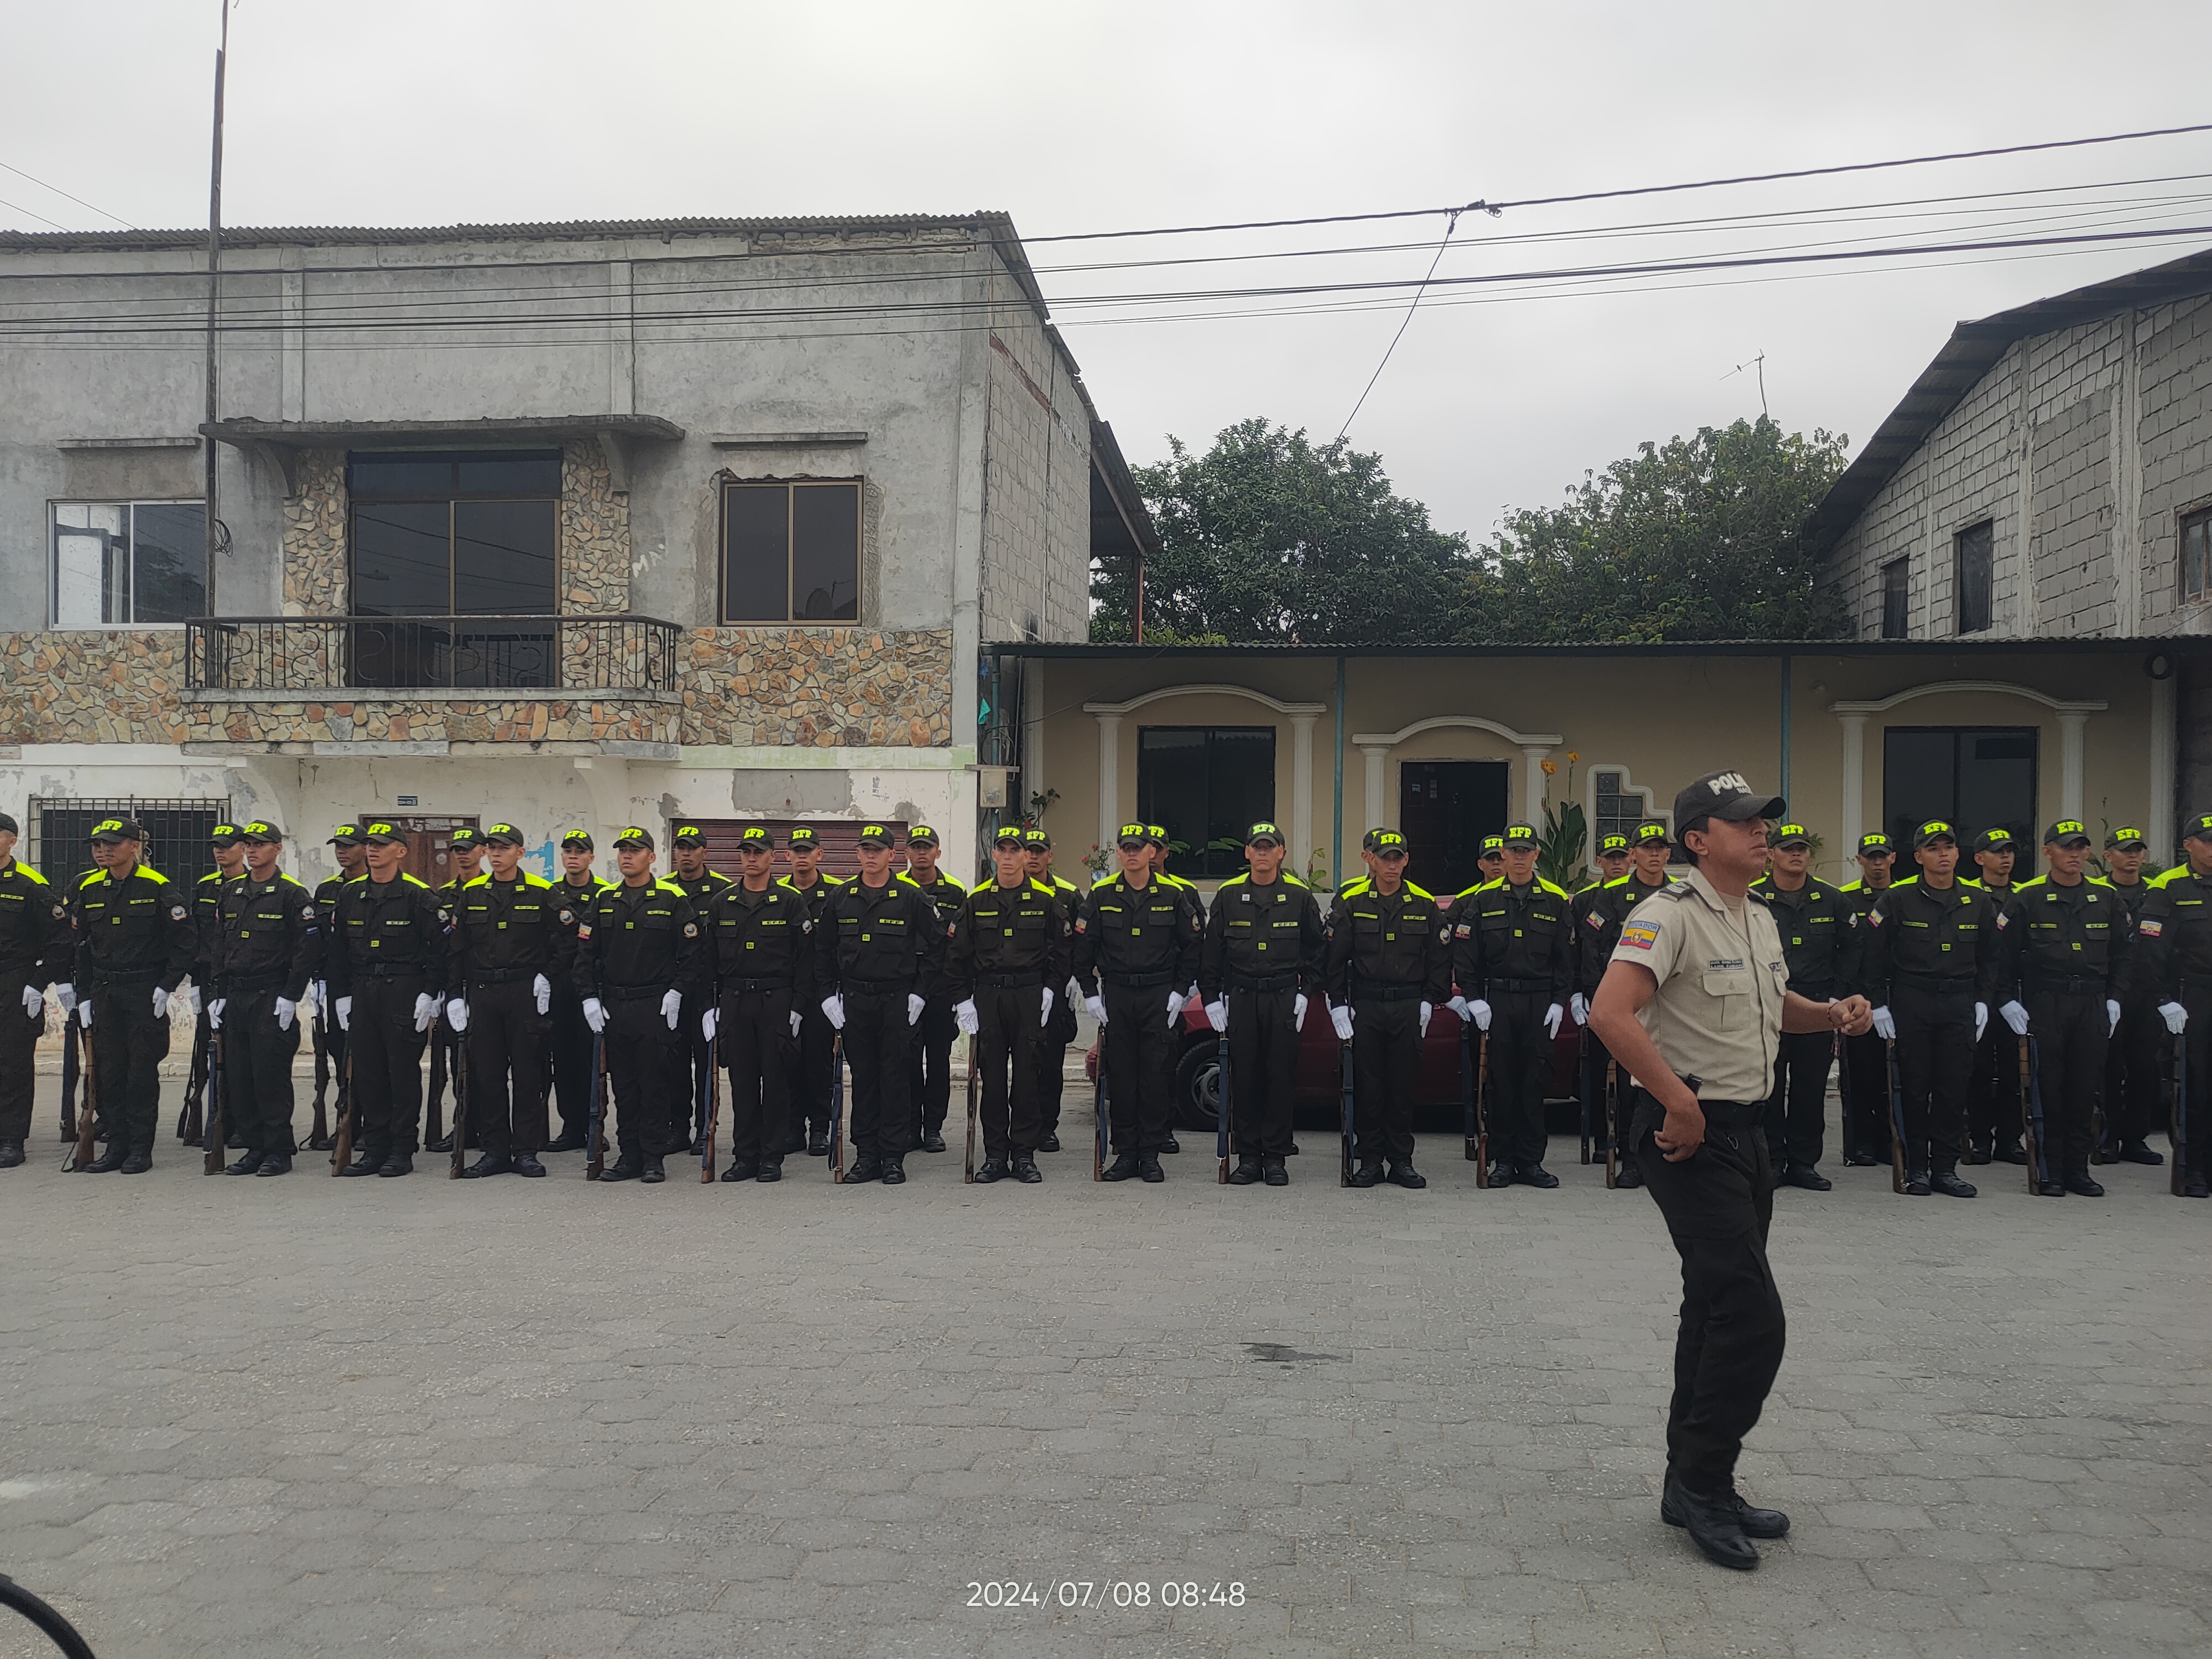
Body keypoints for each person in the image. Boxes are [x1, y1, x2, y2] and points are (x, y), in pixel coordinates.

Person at [1588, 769, 1871, 1572]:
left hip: (1751, 1134)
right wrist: (1676, 1100)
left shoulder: (1757, 916)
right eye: (1743, 822)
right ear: (1698, 840)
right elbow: (1609, 1013)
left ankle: (1689, 1479)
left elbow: (1769, 1004)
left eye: (1764, 821)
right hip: (1689, 1134)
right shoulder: (1666, 915)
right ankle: (1704, 1485)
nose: (1762, 832)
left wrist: (1829, 1013)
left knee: (1713, 1307)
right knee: (1751, 1318)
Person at [1854, 820, 2002, 1198]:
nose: (1943, 855)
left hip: (1959, 1002)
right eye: (1933, 849)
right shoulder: (1897, 899)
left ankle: (1946, 1169)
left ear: (1957, 853)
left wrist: (1983, 1000)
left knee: (1953, 1089)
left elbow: (1991, 957)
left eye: (1948, 847)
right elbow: (1873, 957)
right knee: (1915, 1088)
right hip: (1913, 1001)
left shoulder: (1978, 901)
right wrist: (1880, 1005)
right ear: (1918, 857)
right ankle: (1916, 1167)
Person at [1993, 820, 2127, 1198]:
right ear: (2048, 852)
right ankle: (2049, 1170)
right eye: (2067, 847)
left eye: (2081, 848)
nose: (2075, 854)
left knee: (2084, 1090)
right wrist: (2006, 1000)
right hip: (2046, 1002)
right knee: (2047, 1090)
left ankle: (2077, 1169)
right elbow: (2001, 957)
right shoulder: (2027, 899)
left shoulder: (2106, 899)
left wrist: (2116, 997)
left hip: (2091, 1002)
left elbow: (2125, 956)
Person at [1199, 822, 1325, 1187]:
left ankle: (1276, 1157)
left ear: (1281, 853)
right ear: (1248, 853)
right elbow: (1212, 952)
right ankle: (1249, 1157)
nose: (1263, 853)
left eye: (1270, 847)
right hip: (1242, 997)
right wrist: (1210, 997)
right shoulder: (1228, 896)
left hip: (1283, 998)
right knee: (1245, 1078)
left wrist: (1306, 992)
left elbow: (1317, 951)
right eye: (1257, 847)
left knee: (1280, 1078)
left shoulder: (1300, 897)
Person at [1075, 823, 1203, 1183]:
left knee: (1155, 1077)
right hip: (1117, 994)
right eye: (1126, 848)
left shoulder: (1173, 895)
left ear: (1152, 852)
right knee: (1121, 1077)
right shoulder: (1101, 894)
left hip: (1158, 995)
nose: (1132, 854)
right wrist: (1089, 992)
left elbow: (1192, 947)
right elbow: (1083, 948)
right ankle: (1125, 1153)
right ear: (1118, 852)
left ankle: (1150, 1154)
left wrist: (1181, 990)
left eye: (1139, 847)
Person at [576, 826, 704, 1184]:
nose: (627, 856)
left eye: (635, 850)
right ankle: (629, 1155)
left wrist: (677, 991)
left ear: (651, 857)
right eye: (623, 851)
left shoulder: (671, 899)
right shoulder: (604, 899)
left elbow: (692, 953)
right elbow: (585, 954)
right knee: (624, 1087)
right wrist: (588, 997)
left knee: (654, 1084)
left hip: (654, 1004)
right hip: (615, 1005)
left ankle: (653, 1157)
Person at [445, 822, 573, 1178]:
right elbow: (455, 948)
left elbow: (569, 939)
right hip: (484, 992)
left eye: (504, 847)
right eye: (492, 848)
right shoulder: (472, 892)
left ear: (520, 852)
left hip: (524, 991)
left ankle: (526, 1151)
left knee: (528, 1074)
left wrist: (548, 975)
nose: (497, 854)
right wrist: (454, 995)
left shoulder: (542, 891)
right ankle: (495, 1151)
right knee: (488, 1075)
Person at [65, 819, 194, 1174]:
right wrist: (83, 993)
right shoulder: (89, 887)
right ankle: (116, 1147)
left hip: (143, 991)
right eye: (98, 845)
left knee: (140, 1074)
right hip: (105, 991)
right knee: (109, 1073)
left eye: (112, 843)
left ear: (134, 846)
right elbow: (81, 945)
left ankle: (140, 1149)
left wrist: (166, 985)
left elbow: (185, 942)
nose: (103, 850)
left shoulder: (158, 887)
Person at [818, 824, 943, 1183]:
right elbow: (823, 950)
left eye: (878, 850)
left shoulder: (910, 897)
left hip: (896, 1000)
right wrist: (827, 994)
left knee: (895, 1078)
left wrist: (921, 991)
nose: (871, 856)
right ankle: (866, 1155)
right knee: (863, 1079)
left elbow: (937, 947)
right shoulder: (841, 897)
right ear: (858, 854)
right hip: (855, 1000)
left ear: (892, 854)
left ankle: (892, 1156)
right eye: (866, 850)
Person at [1326, 828, 1448, 1189]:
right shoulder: (1352, 902)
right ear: (1372, 860)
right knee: (1369, 1086)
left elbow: (1439, 958)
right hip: (1366, 1003)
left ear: (1406, 861)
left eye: (1397, 858)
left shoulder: (1423, 904)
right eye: (1385, 858)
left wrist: (1430, 999)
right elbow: (1335, 958)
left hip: (1408, 1003)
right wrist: (1337, 1004)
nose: (1391, 865)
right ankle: (1370, 1161)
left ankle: (1401, 1161)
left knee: (1402, 1087)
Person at [1453, 823, 1574, 1188]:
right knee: (1500, 1083)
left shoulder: (1554, 900)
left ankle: (1531, 1161)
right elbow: (1466, 955)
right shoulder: (1483, 900)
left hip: (1539, 1000)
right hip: (1498, 1001)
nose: (1519, 858)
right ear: (1503, 855)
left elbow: (1565, 958)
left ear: (1536, 854)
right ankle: (1504, 1160)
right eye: (1513, 851)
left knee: (1535, 1082)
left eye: (1526, 851)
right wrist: (1473, 998)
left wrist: (1560, 1001)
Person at [327, 822, 452, 1177]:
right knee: (368, 1073)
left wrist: (431, 993)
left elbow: (439, 950)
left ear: (401, 851)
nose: (373, 850)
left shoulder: (418, 896)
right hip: (363, 987)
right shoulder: (351, 895)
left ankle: (401, 1148)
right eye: (369, 844)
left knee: (402, 1073)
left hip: (404, 988)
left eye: (381, 845)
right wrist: (341, 995)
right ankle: (375, 1147)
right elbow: (338, 951)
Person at [945, 826, 1064, 1183]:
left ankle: (1024, 1155)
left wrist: (1052, 989)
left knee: (1028, 1078)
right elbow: (956, 956)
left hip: (1029, 995)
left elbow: (1062, 952)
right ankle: (995, 1155)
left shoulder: (1045, 901)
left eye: (1016, 850)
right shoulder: (976, 901)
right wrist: (962, 1000)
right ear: (994, 855)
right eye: (1003, 850)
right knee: (993, 1079)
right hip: (989, 995)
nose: (1010, 857)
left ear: (1026, 856)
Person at [704, 825, 816, 1182]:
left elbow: (806, 960)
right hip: (736, 1000)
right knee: (742, 1082)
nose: (751, 859)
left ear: (772, 857)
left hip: (776, 1000)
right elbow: (708, 960)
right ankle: (745, 1156)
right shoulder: (722, 903)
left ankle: (772, 1157)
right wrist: (711, 1005)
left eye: (758, 852)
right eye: (746, 852)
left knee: (777, 1081)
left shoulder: (790, 901)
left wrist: (798, 1006)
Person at [209, 822, 319, 1177]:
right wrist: (218, 993)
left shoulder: (292, 895)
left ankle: (278, 1150)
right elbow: (219, 945)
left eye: (261, 844)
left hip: (271, 994)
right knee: (240, 1078)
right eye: (249, 844)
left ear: (277, 849)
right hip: (237, 994)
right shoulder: (232, 891)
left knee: (269, 1076)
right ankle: (254, 1147)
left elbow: (306, 950)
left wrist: (291, 996)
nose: (253, 850)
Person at [1748, 823, 1852, 1192]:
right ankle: (1773, 1161)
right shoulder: (1752, 898)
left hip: (1817, 1005)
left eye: (1802, 849)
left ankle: (1805, 1163)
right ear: (1771, 854)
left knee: (1810, 1088)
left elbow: (1850, 951)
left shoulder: (1832, 899)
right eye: (1788, 848)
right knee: (1769, 1087)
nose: (1796, 854)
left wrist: (1838, 997)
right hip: (1767, 1004)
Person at [1571, 820, 1674, 1187]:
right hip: (1626, 1006)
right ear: (1634, 855)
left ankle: (1666, 1159)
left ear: (1669, 854)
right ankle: (1632, 1161)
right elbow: (1593, 949)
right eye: (1646, 849)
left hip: (1668, 1007)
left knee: (1668, 1082)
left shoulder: (1680, 897)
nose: (1654, 855)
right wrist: (1598, 996)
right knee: (1628, 1088)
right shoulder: (1611, 896)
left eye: (1660, 849)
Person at [2128, 813, 2212, 1197]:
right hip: (2192, 995)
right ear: (2188, 845)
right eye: (2207, 841)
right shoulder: (2168, 886)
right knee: (2197, 1087)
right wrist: (2164, 1000)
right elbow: (2151, 951)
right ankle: (2193, 1169)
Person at [0, 811, 71, 1170]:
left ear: (13, 840)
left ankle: (11, 1139)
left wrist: (38, 981)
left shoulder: (31, 885)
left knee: (12, 1062)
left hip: (13, 980)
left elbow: (60, 938)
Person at [2098, 826, 2165, 1165]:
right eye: (2125, 850)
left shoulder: (2156, 894)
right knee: (2108, 1066)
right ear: (2108, 855)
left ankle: (2136, 1139)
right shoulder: (2096, 892)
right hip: (2108, 991)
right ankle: (2107, 1136)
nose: (2133, 856)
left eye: (2138, 850)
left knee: (2144, 1068)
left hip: (2147, 992)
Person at [668, 825, 734, 1154]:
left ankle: (704, 1129)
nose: (686, 853)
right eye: (681, 847)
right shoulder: (664, 889)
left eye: (692, 848)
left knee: (707, 1066)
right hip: (672, 993)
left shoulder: (723, 891)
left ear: (704, 853)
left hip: (707, 993)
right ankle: (677, 1129)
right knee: (673, 1064)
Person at [901, 826, 966, 1154]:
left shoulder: (955, 891)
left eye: (927, 847)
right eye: (916, 847)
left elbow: (961, 944)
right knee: (907, 1059)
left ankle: (933, 1128)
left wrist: (961, 993)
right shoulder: (896, 887)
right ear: (906, 853)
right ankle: (911, 1125)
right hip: (904, 985)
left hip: (940, 987)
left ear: (938, 852)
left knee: (939, 1060)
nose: (922, 853)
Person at [1836, 832, 1899, 1168]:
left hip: (1900, 997)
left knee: (1897, 1077)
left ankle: (1890, 1141)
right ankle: (1860, 1144)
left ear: (1893, 858)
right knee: (1860, 1075)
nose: (1877, 863)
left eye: (1883, 856)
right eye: (1870, 857)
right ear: (1859, 860)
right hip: (1860, 999)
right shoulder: (1845, 899)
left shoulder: (1905, 896)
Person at [780, 826, 844, 1156]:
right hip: (785, 992)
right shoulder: (778, 892)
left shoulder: (836, 893)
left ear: (820, 854)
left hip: (823, 993)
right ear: (787, 855)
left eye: (808, 850)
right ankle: (793, 1127)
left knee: (819, 1062)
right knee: (787, 1062)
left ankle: (820, 1128)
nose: (802, 856)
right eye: (797, 851)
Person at [1963, 827, 2024, 1165]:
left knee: (2016, 1071)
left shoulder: (2024, 896)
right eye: (1998, 852)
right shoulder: (1970, 895)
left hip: (2016, 997)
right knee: (1979, 1070)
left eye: (2009, 851)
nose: (2005, 857)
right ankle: (1980, 1138)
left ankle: (2010, 1140)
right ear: (1979, 858)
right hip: (1980, 997)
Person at [545, 828, 608, 1152]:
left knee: (593, 1060)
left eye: (580, 851)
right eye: (568, 851)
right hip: (558, 987)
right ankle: (571, 1128)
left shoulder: (605, 894)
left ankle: (595, 1125)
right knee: (564, 1059)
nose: (573, 856)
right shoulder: (550, 893)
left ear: (591, 858)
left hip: (593, 987)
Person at [425, 826, 486, 1154]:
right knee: (456, 1062)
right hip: (453, 990)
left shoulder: (491, 889)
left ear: (482, 851)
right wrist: (435, 991)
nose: (462, 854)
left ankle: (488, 1128)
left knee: (486, 1064)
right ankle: (463, 1125)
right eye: (457, 849)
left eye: (468, 848)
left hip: (484, 985)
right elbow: (436, 946)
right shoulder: (444, 895)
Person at [184, 822, 246, 1143]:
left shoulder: (253, 885)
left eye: (227, 845)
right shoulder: (205, 887)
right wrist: (195, 981)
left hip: (240, 982)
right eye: (216, 846)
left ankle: (237, 1123)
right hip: (209, 981)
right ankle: (213, 1118)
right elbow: (194, 937)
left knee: (237, 1057)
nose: (220, 851)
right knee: (205, 1057)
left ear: (243, 849)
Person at [1024, 827, 1083, 1153]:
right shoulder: (1005, 890)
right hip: (1020, 988)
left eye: (1039, 851)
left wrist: (1076, 977)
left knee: (1050, 1063)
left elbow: (1082, 939)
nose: (1033, 857)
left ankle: (1047, 1127)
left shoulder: (1069, 894)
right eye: (1028, 851)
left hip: (1057, 988)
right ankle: (1023, 1125)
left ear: (1050, 855)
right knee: (1023, 1063)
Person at [309, 824, 367, 1146]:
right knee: (338, 1052)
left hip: (367, 981)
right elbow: (319, 938)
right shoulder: (327, 889)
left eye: (349, 845)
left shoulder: (375, 885)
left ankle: (372, 1127)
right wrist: (318, 978)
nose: (342, 851)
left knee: (369, 1057)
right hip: (334, 984)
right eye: (338, 846)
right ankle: (347, 1123)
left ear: (365, 848)